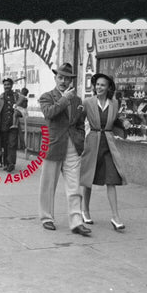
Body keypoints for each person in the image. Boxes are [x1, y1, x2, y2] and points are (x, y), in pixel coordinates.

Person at [38, 62, 91, 236]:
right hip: (53, 145)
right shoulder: (47, 96)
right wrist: (64, 99)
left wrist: (80, 140)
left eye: (67, 78)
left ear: (71, 80)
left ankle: (76, 222)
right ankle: (47, 218)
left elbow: (80, 123)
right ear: (55, 78)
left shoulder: (77, 100)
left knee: (74, 186)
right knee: (48, 185)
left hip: (72, 147)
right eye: (60, 77)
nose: (63, 81)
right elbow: (49, 113)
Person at [80, 73, 131, 231]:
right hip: (92, 142)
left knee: (111, 179)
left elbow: (116, 119)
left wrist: (124, 122)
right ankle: (85, 210)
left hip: (108, 144)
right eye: (97, 84)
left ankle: (115, 217)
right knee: (89, 179)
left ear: (109, 87)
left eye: (103, 85)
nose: (99, 87)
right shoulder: (88, 102)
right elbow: (78, 122)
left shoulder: (114, 103)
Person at [0, 78, 27, 173]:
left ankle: (11, 163)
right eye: (5, 85)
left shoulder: (16, 97)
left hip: (13, 125)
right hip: (2, 126)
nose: (6, 86)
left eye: (8, 84)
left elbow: (23, 107)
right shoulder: (0, 98)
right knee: (4, 145)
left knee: (12, 144)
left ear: (12, 86)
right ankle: (6, 163)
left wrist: (23, 102)